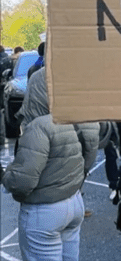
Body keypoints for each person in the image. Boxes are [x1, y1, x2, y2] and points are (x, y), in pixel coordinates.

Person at [2, 67, 100, 261]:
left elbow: (22, 182)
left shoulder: (39, 127)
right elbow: (87, 161)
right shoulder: (83, 119)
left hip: (44, 210)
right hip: (74, 202)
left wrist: (5, 176)